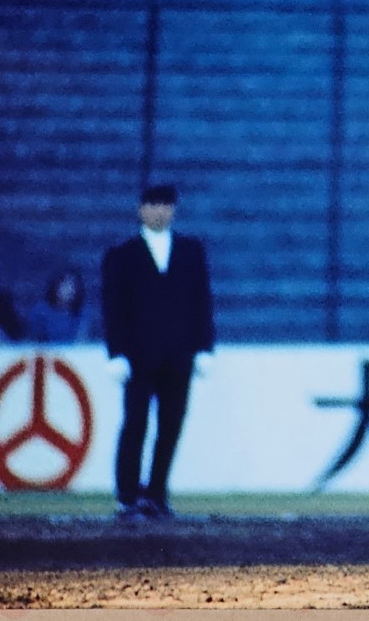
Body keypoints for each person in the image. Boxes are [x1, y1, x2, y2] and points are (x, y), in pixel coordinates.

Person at [101, 183, 215, 520]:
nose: (159, 211)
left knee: (171, 424)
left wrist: (205, 347)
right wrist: (116, 353)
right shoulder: (123, 254)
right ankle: (127, 495)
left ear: (174, 209)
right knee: (135, 422)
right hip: (138, 357)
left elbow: (202, 303)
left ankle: (156, 494)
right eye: (153, 205)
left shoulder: (191, 251)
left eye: (165, 205)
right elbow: (113, 307)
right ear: (141, 210)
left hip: (178, 356)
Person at [27, 266, 94, 343]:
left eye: (72, 286)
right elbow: (33, 340)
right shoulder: (40, 311)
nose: (69, 290)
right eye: (64, 285)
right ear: (55, 286)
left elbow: (82, 339)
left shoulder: (83, 312)